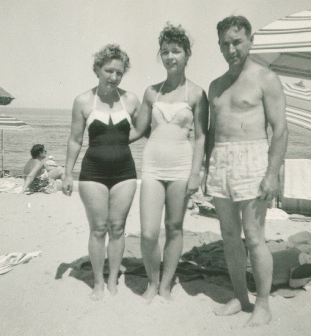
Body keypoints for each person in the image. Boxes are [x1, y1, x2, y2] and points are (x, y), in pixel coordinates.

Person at [205, 16, 288, 327]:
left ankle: (263, 304)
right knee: (228, 235)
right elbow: (213, 134)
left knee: (254, 236)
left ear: (250, 40)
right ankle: (240, 297)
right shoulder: (216, 85)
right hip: (220, 161)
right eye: (225, 43)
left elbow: (280, 131)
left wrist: (272, 173)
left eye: (236, 41)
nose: (231, 48)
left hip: (252, 158)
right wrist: (205, 169)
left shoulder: (265, 78)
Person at [131, 23, 209, 303]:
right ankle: (152, 281)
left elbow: (201, 137)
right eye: (165, 52)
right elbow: (138, 130)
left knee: (175, 228)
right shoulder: (151, 92)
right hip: (152, 167)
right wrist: (107, 134)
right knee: (149, 232)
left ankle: (164, 285)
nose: (170, 57)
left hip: (181, 168)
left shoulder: (198, 94)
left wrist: (196, 173)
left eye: (176, 51)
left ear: (187, 54)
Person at [62, 44, 141, 300]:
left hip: (125, 173)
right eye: (109, 70)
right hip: (92, 172)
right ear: (97, 69)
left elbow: (144, 128)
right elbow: (75, 139)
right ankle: (98, 282)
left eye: (119, 72)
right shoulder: (83, 101)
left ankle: (113, 279)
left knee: (117, 227)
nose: (114, 77)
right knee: (98, 228)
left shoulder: (130, 100)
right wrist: (67, 173)